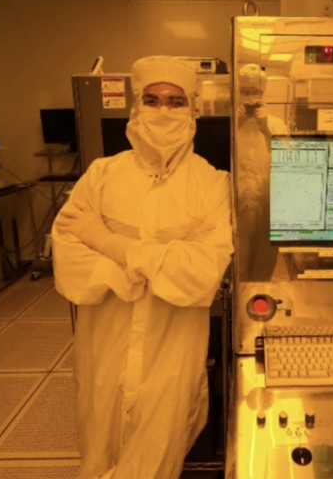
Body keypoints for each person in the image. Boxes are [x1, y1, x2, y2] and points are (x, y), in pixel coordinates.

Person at [52, 56, 233, 479]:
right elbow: (69, 250)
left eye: (175, 101)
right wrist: (146, 268)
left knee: (160, 447)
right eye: (152, 99)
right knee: (98, 439)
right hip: (105, 340)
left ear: (191, 110)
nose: (163, 110)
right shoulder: (101, 174)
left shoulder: (212, 184)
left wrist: (109, 241)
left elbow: (202, 270)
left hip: (172, 344)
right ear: (136, 107)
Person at [234, 63, 288, 281]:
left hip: (268, 206)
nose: (249, 98)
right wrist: (233, 126)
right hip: (235, 209)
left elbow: (290, 161)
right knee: (236, 258)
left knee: (264, 261)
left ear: (262, 93)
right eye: (245, 92)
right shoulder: (230, 124)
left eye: (254, 92)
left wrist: (267, 129)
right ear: (238, 92)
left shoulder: (275, 124)